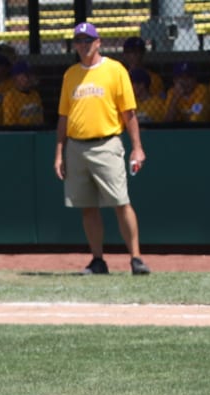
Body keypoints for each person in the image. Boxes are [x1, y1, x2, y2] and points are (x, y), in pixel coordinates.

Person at [55, 22, 151, 276]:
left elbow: (128, 113)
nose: (84, 46)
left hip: (107, 143)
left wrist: (137, 148)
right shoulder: (71, 75)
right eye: (79, 41)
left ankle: (136, 258)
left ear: (99, 43)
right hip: (77, 147)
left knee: (121, 202)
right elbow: (64, 117)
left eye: (88, 41)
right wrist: (59, 152)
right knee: (87, 207)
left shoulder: (115, 70)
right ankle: (98, 260)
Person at [0, 60, 45, 126]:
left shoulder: (35, 94)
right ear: (15, 78)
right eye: (26, 75)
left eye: (31, 75)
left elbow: (40, 119)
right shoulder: (10, 97)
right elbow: (10, 124)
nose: (30, 78)